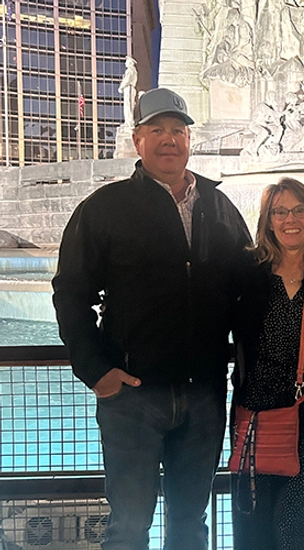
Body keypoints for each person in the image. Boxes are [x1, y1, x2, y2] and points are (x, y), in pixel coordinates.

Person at [52, 87, 251, 550]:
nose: (169, 140)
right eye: (157, 130)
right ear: (137, 140)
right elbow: (71, 292)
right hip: (132, 397)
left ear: (189, 141)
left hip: (203, 394)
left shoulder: (219, 207)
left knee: (190, 524)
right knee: (128, 526)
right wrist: (97, 372)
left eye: (178, 131)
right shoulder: (104, 208)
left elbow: (247, 289)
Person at [231, 177, 304, 550]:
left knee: (297, 523)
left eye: (298, 209)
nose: (289, 219)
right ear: (267, 219)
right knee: (252, 521)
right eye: (279, 211)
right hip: (254, 412)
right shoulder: (246, 272)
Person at [118, 56, 138, 127]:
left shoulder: (130, 70)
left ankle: (129, 122)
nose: (126, 63)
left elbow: (126, 80)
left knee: (128, 105)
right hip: (129, 88)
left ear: (130, 63)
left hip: (129, 88)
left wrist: (121, 87)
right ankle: (128, 121)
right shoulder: (132, 70)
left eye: (127, 62)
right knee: (128, 105)